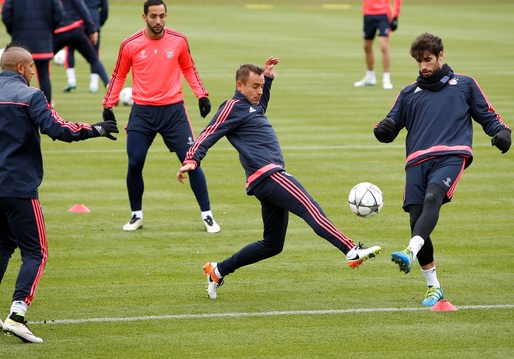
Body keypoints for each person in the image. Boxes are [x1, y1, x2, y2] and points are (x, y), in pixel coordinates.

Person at [0, 43, 118, 343]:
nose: (35, 75)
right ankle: (17, 314)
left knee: (5, 240)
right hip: (19, 188)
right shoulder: (30, 96)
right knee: (37, 252)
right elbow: (58, 129)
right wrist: (96, 129)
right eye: (33, 69)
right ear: (22, 68)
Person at [177, 57, 382, 300]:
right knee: (311, 208)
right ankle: (350, 250)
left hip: (264, 180)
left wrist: (269, 77)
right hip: (269, 174)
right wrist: (192, 158)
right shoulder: (232, 106)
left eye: (261, 86)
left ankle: (218, 270)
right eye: (255, 86)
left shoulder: (252, 107)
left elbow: (259, 105)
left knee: (272, 244)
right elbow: (210, 132)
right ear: (239, 86)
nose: (259, 91)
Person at [373, 33, 511, 307]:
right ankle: (433, 288)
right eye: (419, 61)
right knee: (416, 220)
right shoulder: (408, 93)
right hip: (416, 161)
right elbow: (388, 126)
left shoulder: (464, 84)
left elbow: (488, 116)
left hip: (451, 155)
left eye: (428, 60)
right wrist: (383, 130)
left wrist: (502, 131)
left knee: (432, 199)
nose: (423, 66)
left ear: (440, 56)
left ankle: (410, 251)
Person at [102, 0, 219, 233]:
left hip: (174, 112)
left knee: (191, 162)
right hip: (142, 112)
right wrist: (108, 104)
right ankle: (136, 215)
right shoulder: (130, 44)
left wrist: (201, 95)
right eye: (153, 16)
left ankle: (207, 215)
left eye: (162, 16)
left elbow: (189, 68)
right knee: (135, 162)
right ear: (144, 17)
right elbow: (119, 74)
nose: (158, 21)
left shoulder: (178, 40)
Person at [1, 0, 64, 104]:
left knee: (19, 75)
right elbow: (59, 13)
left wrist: (13, 29)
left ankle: (21, 105)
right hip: (43, 39)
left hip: (20, 41)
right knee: (44, 75)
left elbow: (6, 14)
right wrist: (49, 29)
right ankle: (46, 107)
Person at [53, 0, 110, 96]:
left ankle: (71, 81)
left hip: (64, 28)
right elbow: (104, 9)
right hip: (82, 25)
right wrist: (95, 26)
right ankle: (100, 85)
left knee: (66, 52)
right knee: (94, 57)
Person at [353, 0, 402, 90]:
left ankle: (386, 79)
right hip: (368, 14)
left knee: (383, 45)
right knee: (366, 46)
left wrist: (395, 16)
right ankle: (370, 77)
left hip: (384, 14)